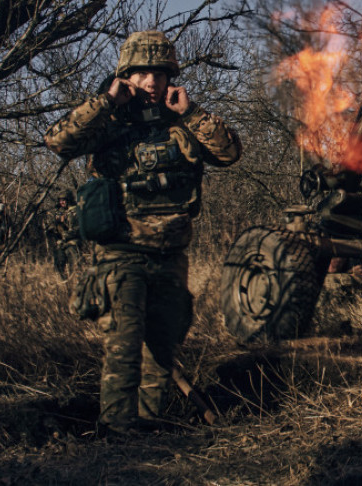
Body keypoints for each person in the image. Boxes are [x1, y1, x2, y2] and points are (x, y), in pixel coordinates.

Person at [44, 30, 242, 434]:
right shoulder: (109, 121)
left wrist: (192, 113)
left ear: (171, 76)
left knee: (162, 349)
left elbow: (229, 153)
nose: (151, 82)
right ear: (125, 77)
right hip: (121, 254)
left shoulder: (182, 121)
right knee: (124, 346)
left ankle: (151, 430)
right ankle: (117, 432)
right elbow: (58, 141)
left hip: (171, 254)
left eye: (159, 73)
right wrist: (105, 102)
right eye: (141, 73)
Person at [46, 191, 78, 277]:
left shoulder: (75, 211)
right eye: (60, 200)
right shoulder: (58, 212)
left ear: (68, 200)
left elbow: (77, 229)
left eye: (64, 200)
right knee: (58, 257)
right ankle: (61, 279)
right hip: (62, 241)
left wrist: (65, 235)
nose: (61, 202)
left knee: (73, 259)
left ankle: (74, 277)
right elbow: (53, 226)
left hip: (74, 240)